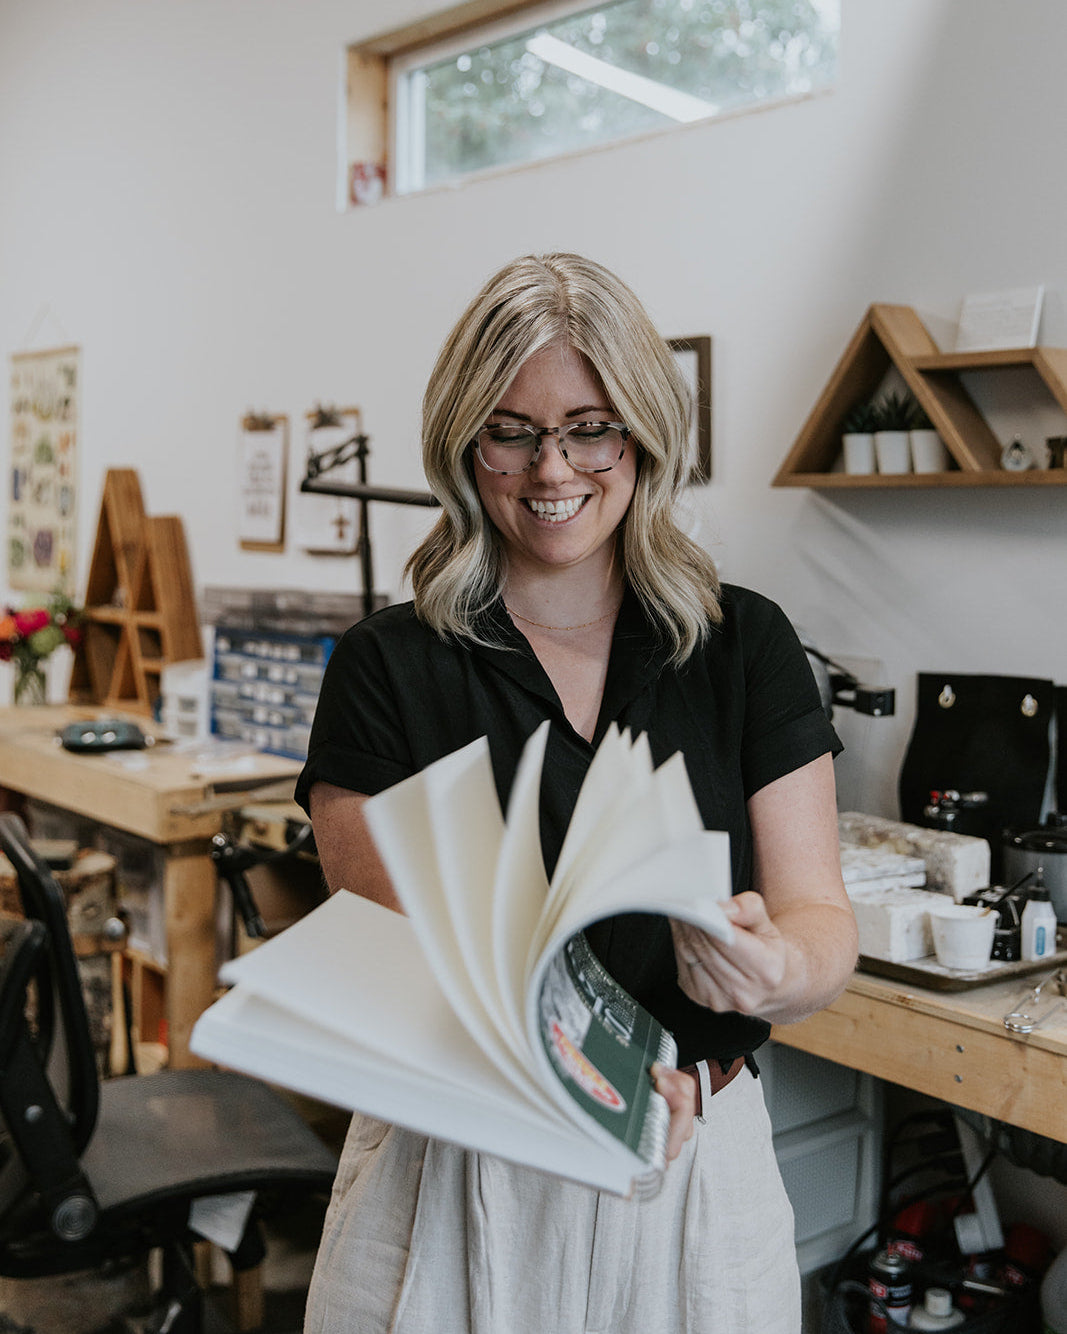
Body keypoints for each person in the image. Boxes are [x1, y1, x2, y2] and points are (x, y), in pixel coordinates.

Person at [296, 252, 858, 1334]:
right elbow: (388, 951)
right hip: (458, 1169)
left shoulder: (746, 645)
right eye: (510, 429)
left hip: (693, 1169)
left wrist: (773, 967)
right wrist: (574, 1071)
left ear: (641, 434)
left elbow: (819, 921)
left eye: (590, 426)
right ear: (466, 442)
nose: (551, 466)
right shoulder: (389, 664)